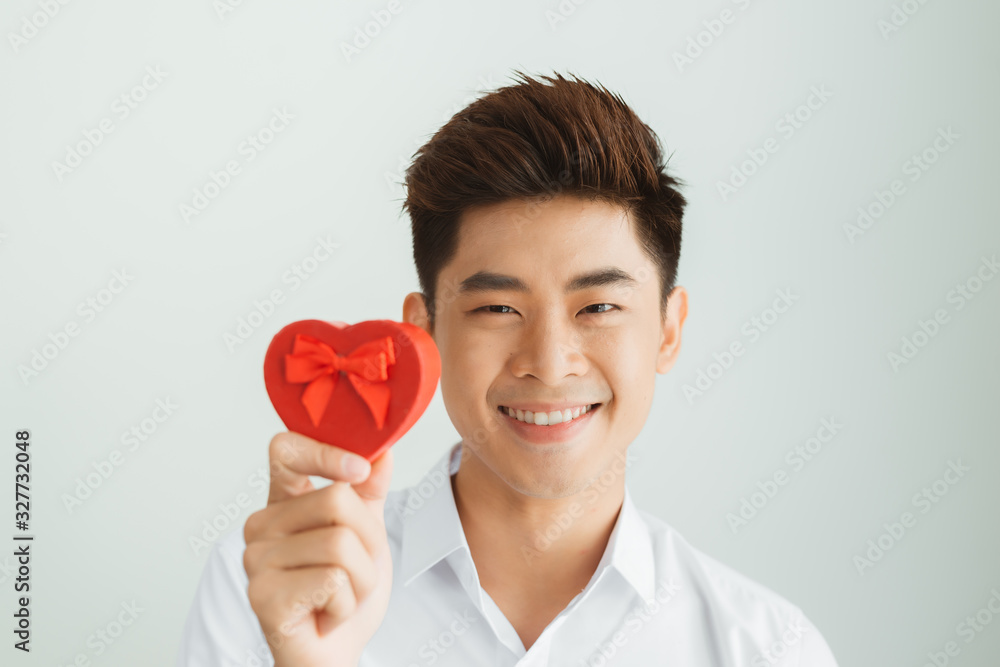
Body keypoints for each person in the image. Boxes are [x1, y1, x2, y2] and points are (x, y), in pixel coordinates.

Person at [176, 71, 839, 666]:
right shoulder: (266, 588)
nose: (548, 364)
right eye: (497, 306)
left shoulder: (768, 648)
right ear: (423, 331)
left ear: (668, 329)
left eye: (599, 305)